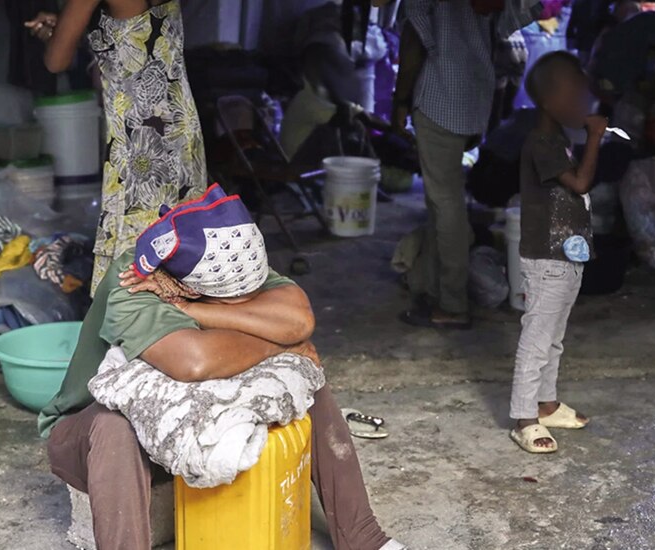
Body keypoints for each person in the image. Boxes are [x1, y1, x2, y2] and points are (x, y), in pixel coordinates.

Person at [40, 185, 405, 550]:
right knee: (113, 424)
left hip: (185, 419)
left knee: (303, 377)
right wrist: (282, 342)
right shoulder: (132, 284)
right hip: (89, 437)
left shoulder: (231, 260)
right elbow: (194, 362)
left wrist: (196, 311)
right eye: (234, 303)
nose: (246, 308)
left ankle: (364, 539)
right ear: (190, 285)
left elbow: (298, 319)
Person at [26, 0, 207, 292]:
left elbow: (56, 61)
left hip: (140, 134)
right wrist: (69, 25)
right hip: (179, 124)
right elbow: (133, 30)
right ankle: (180, 320)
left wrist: (56, 35)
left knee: (136, 240)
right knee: (178, 231)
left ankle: (138, 327)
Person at [508, 52, 601, 454]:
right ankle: (524, 418)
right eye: (575, 95)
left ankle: (545, 404)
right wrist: (596, 137)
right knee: (537, 338)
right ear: (548, 101)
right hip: (546, 258)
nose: (585, 102)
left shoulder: (558, 140)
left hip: (566, 255)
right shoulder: (540, 143)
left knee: (554, 338)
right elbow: (580, 184)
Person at [393, 0, 497, 329]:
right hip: (474, 97)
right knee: (443, 200)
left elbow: (413, 43)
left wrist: (400, 100)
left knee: (446, 203)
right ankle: (432, 288)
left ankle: (452, 303)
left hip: (440, 98)